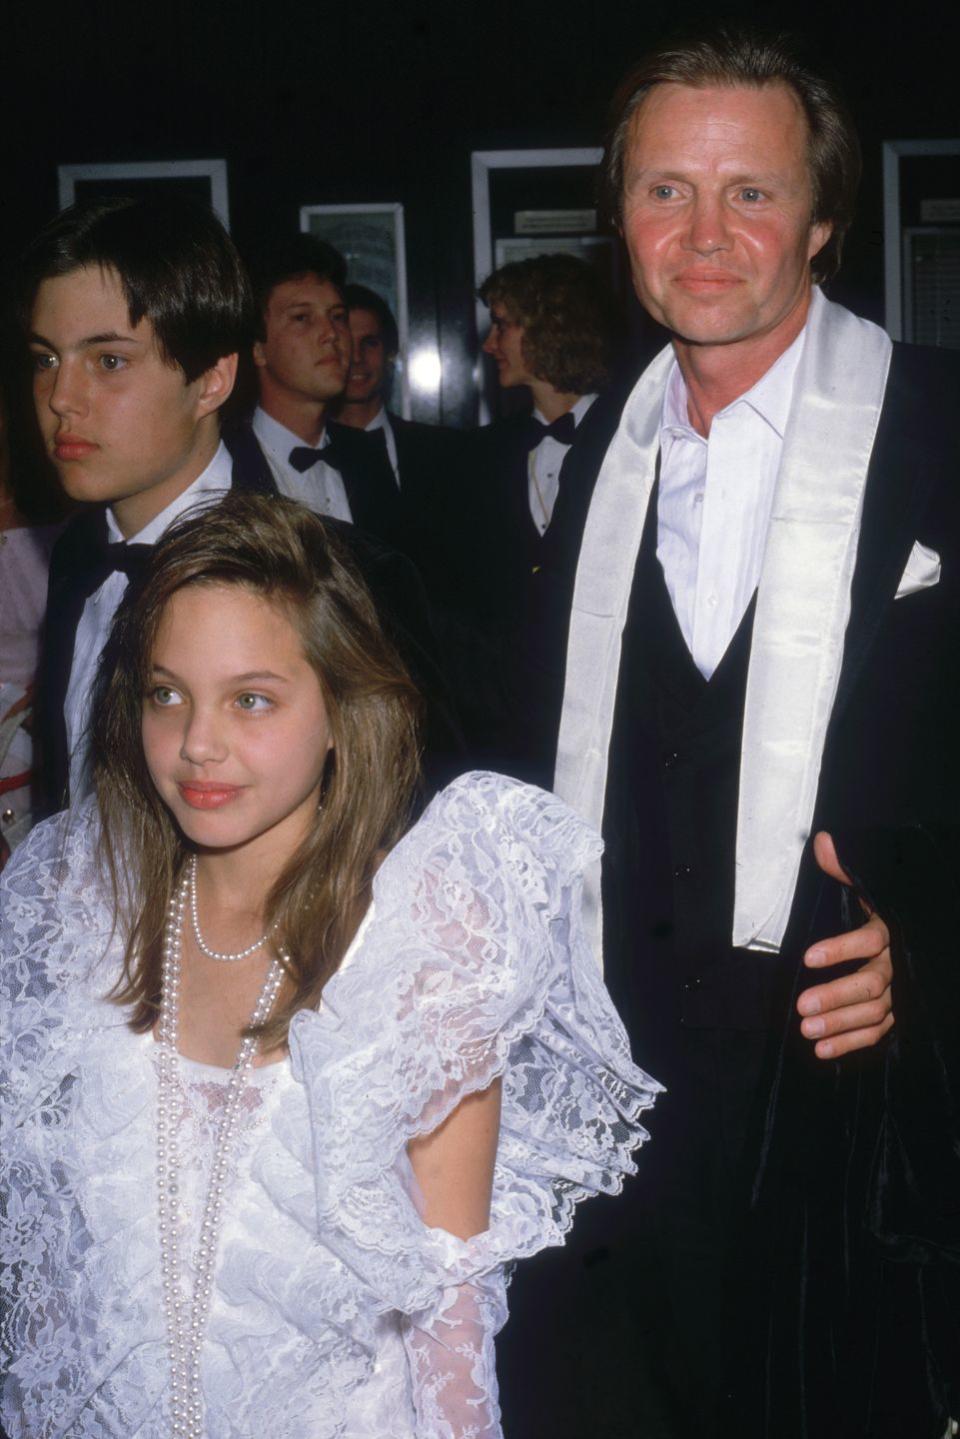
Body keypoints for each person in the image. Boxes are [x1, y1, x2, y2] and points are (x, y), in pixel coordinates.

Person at [500, 25, 959, 1439]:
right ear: (620, 216)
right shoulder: (598, 466)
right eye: (663, 191)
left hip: (848, 1114)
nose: (703, 234)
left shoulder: (942, 427)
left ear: (822, 221)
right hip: (619, 1104)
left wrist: (941, 939)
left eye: (750, 193)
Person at [0, 492, 660, 1438]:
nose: (197, 744)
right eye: (166, 692)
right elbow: (54, 1277)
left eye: (252, 699)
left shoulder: (421, 950)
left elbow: (450, 1325)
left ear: (345, 712)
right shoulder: (80, 907)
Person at [20, 198, 463, 811]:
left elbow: (414, 828)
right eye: (46, 359)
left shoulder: (347, 575)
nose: (61, 398)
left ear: (211, 381)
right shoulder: (77, 554)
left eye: (109, 361)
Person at [233, 236, 403, 546]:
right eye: (302, 318)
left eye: (338, 317)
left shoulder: (367, 456)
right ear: (258, 349)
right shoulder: (223, 463)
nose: (331, 334)